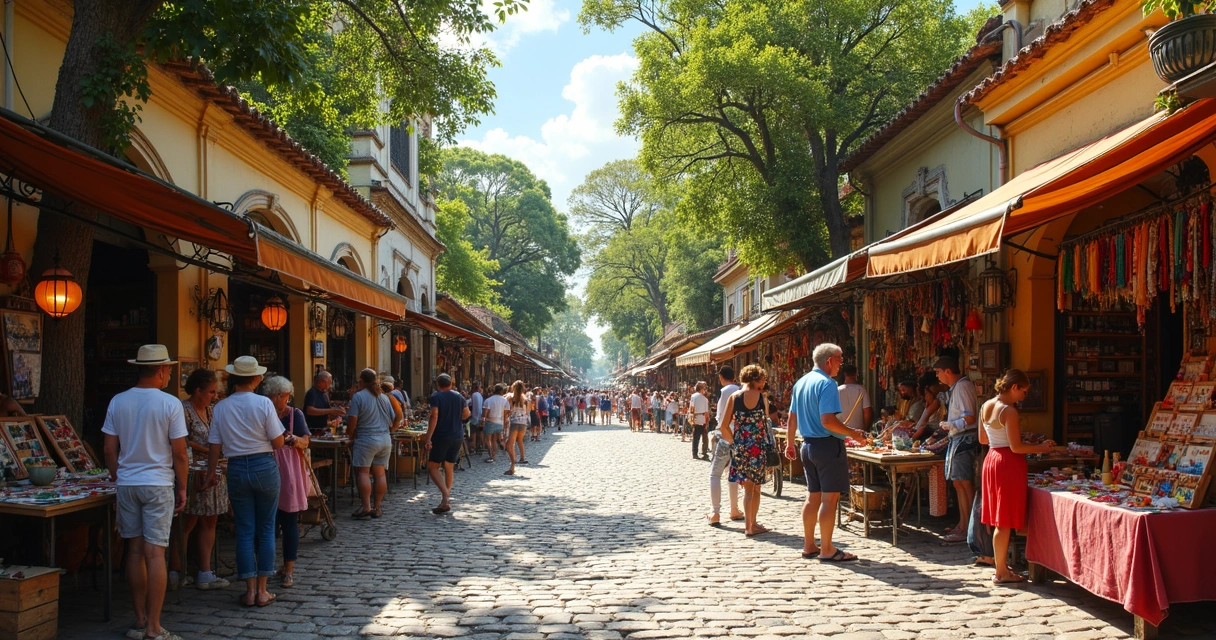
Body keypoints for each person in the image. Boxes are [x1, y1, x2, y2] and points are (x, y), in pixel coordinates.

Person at [103, 345, 189, 640]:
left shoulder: (118, 401)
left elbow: (109, 448)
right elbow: (180, 454)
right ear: (162, 370)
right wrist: (183, 486)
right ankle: (154, 626)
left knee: (135, 552)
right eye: (168, 370)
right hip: (158, 484)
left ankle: (139, 619)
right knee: (155, 555)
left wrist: (119, 474)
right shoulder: (170, 403)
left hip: (128, 484)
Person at [205, 355, 285, 608]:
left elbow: (214, 445)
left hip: (236, 467)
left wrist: (210, 474)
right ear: (257, 378)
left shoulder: (221, 406)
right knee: (266, 529)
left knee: (245, 530)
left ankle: (249, 591)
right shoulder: (263, 403)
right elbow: (278, 442)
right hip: (263, 466)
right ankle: (263, 591)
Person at [786, 343, 867, 562]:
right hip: (827, 447)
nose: (841, 364)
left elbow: (792, 417)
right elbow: (828, 421)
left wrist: (790, 443)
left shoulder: (801, 382)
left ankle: (809, 544)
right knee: (829, 500)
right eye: (840, 359)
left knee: (813, 497)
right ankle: (828, 549)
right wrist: (853, 434)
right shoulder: (827, 383)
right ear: (829, 360)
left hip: (808, 446)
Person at [976, 369, 1055, 583]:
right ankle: (1001, 571)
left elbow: (983, 439)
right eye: (1024, 391)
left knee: (1000, 518)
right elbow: (1016, 447)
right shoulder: (1008, 411)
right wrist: (1041, 447)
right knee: (1004, 519)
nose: (1024, 396)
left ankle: (1002, 567)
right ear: (1014, 387)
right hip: (1007, 462)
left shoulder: (985, 405)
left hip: (992, 458)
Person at [257, 376, 310, 589]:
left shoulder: (294, 415)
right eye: (283, 396)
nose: (284, 400)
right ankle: (265, 567)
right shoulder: (261, 412)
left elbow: (306, 441)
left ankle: (288, 569)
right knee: (267, 523)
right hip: (266, 465)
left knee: (288, 522)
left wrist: (294, 440)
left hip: (288, 472)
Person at [179, 368, 228, 592]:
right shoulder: (184, 410)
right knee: (187, 522)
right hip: (191, 471)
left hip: (212, 469)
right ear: (197, 391)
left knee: (210, 520)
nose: (214, 396)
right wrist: (210, 450)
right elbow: (183, 441)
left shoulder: (211, 411)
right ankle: (178, 570)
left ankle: (205, 571)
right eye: (210, 392)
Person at [719, 365, 780, 536]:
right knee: (757, 488)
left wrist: (735, 442)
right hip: (758, 448)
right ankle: (751, 525)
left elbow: (724, 426)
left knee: (747, 488)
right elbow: (766, 424)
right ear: (756, 379)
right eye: (762, 379)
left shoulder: (734, 397)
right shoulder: (762, 399)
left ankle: (749, 525)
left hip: (741, 448)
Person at [345, 369, 403, 520]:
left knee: (363, 472)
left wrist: (350, 435)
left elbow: (352, 420)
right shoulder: (383, 397)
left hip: (366, 439)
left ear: (362, 381)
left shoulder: (359, 397)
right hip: (384, 440)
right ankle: (377, 507)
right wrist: (391, 429)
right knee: (380, 473)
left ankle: (366, 506)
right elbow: (395, 417)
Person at [934, 356, 979, 543]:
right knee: (958, 483)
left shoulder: (962, 387)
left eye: (938, 373)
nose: (937, 377)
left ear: (948, 371)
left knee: (964, 483)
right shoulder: (958, 387)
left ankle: (967, 527)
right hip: (958, 437)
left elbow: (969, 418)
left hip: (964, 438)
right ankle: (963, 524)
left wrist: (949, 424)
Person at [423, 373, 471, 514]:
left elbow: (434, 416)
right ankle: (445, 499)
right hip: (457, 435)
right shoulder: (459, 397)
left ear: (438, 384)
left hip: (442, 435)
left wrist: (428, 437)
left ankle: (445, 496)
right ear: (451, 383)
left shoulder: (436, 397)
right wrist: (456, 419)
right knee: (449, 465)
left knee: (433, 466)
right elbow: (467, 414)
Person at [707, 366, 742, 526]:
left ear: (721, 377)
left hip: (725, 436)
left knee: (715, 474)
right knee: (732, 473)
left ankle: (715, 512)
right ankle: (734, 509)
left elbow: (721, 418)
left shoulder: (725, 391)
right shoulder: (741, 390)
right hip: (739, 437)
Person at [836, 364, 872, 433]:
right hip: (857, 431)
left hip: (841, 430)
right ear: (856, 374)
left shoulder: (837, 391)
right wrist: (866, 429)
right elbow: (867, 412)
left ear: (845, 374)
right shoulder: (861, 390)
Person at [504, 381, 531, 475]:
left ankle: (512, 465)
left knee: (510, 445)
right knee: (520, 440)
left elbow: (509, 410)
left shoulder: (511, 398)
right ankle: (522, 458)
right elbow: (528, 411)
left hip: (514, 423)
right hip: (523, 423)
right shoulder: (525, 399)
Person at [482, 384, 509, 463]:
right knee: (494, 440)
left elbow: (485, 412)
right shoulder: (505, 400)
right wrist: (505, 423)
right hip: (499, 422)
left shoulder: (488, 400)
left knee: (488, 440)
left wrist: (482, 421)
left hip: (490, 421)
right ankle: (494, 455)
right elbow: (506, 413)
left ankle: (491, 455)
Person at [689, 382, 711, 459]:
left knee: (696, 437)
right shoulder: (705, 399)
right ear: (702, 389)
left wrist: (692, 418)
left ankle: (695, 453)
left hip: (696, 418)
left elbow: (691, 408)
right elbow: (706, 413)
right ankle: (704, 452)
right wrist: (707, 423)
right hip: (702, 419)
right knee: (704, 437)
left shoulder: (693, 396)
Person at [468, 382, 485, 454]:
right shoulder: (480, 395)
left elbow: (469, 403)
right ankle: (482, 445)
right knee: (480, 431)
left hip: (475, 416)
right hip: (479, 416)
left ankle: (473, 446)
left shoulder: (474, 395)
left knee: (473, 432)